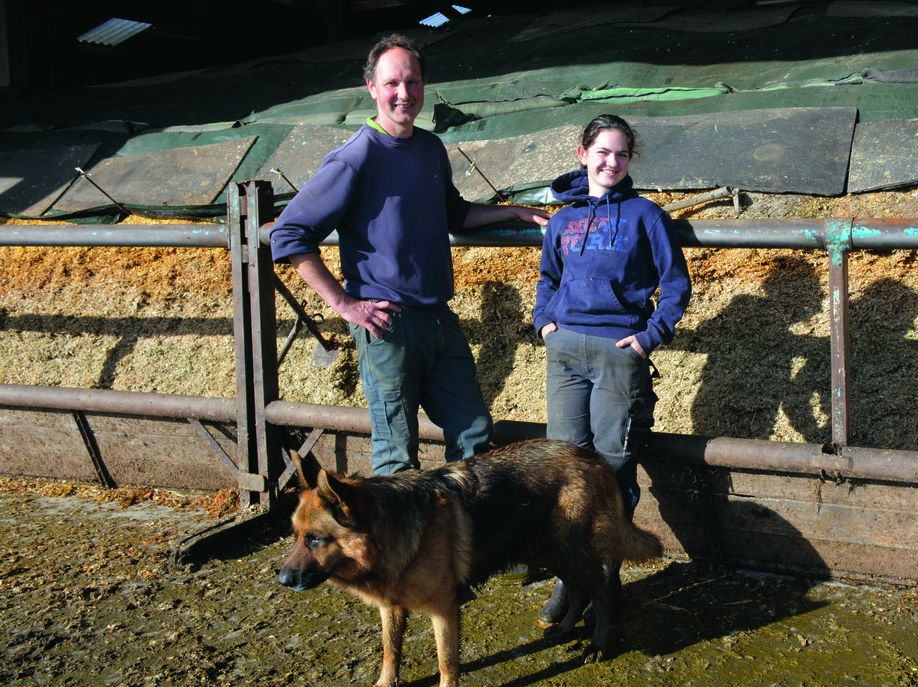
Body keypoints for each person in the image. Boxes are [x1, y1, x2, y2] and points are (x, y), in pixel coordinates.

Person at [271, 33, 549, 475]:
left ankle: (463, 540)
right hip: (389, 324)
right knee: (398, 454)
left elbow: (453, 214)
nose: (404, 93)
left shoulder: (430, 148)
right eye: (392, 83)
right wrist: (344, 304)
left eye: (414, 82)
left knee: (474, 431)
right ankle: (397, 545)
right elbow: (289, 233)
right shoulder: (355, 157)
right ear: (371, 88)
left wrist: (512, 211)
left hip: (439, 318)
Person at [532, 114, 691, 625]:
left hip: (617, 351)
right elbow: (547, 279)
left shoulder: (646, 215)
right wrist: (543, 324)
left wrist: (647, 339)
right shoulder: (562, 219)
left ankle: (605, 571)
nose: (612, 162)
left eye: (622, 154)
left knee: (614, 463)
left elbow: (676, 283)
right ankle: (568, 572)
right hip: (565, 351)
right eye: (603, 152)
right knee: (564, 463)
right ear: (583, 153)